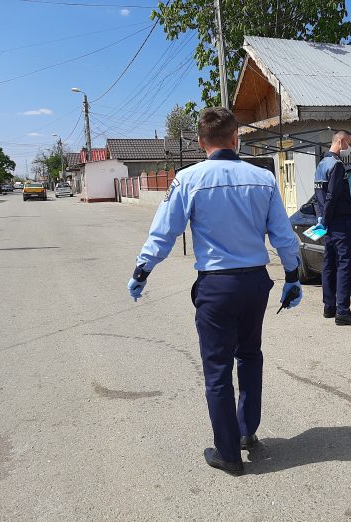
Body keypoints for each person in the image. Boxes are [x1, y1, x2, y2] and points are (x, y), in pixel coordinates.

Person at [127, 107, 302, 476]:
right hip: (255, 283)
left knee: (218, 369)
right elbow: (283, 236)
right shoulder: (263, 179)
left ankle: (228, 454)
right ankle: (246, 432)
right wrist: (292, 275)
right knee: (250, 355)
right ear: (236, 138)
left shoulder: (187, 180)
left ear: (200, 142)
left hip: (216, 287)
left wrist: (142, 271)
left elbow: (164, 233)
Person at [314, 130, 351, 326]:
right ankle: (343, 311)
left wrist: (321, 220)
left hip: (326, 222)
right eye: (350, 144)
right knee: (344, 265)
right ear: (341, 141)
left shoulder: (321, 164)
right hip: (338, 222)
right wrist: (327, 220)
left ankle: (329, 307)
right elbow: (332, 196)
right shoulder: (336, 165)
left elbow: (318, 197)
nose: (350, 148)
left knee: (329, 264)